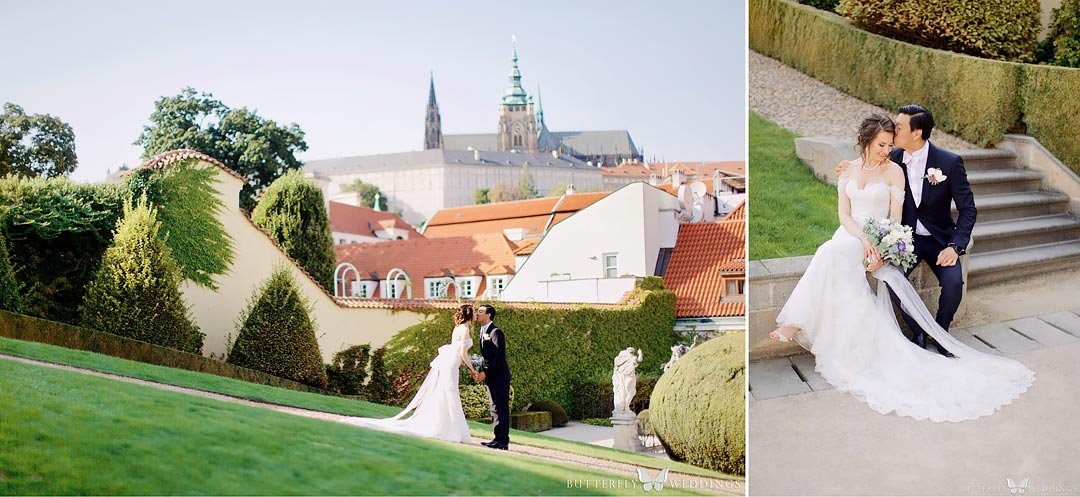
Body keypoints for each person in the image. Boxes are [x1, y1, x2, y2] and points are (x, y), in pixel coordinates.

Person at [768, 113, 1033, 422]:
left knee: (831, 253)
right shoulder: (850, 170)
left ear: (913, 134)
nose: (886, 149)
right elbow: (844, 216)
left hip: (895, 237)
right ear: (866, 141)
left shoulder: (899, 168)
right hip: (852, 234)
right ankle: (834, 337)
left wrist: (879, 247)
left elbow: (895, 218)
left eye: (890, 143)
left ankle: (797, 323)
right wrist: (862, 238)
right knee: (830, 251)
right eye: (881, 144)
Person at [343, 304, 478, 443]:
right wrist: (473, 369)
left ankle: (445, 426)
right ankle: (449, 429)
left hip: (450, 362)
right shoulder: (465, 329)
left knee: (445, 392)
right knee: (449, 392)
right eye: (474, 312)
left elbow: (457, 350)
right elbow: (462, 352)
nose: (476, 315)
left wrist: (463, 362)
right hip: (451, 364)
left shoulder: (458, 328)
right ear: (469, 315)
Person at [472, 304, 511, 450]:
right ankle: (497, 438)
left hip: (500, 377)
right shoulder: (482, 332)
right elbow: (487, 357)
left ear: (488, 315)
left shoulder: (495, 332)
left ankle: (503, 441)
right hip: (491, 377)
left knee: (501, 408)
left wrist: (485, 373)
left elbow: (499, 358)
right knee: (494, 407)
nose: (477, 314)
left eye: (480, 312)